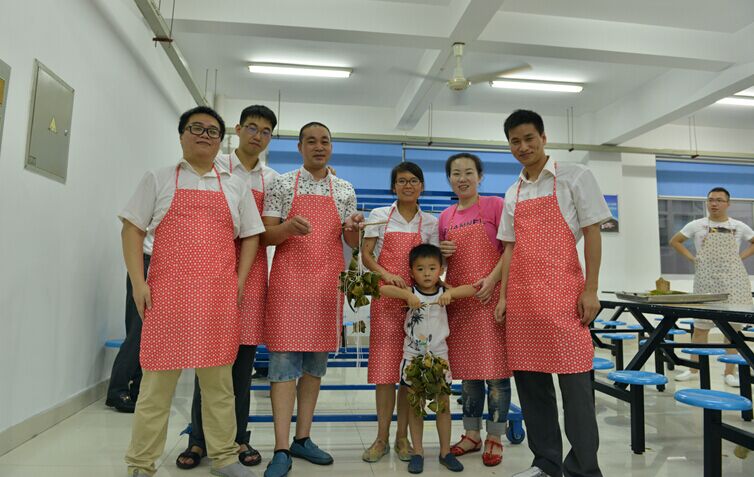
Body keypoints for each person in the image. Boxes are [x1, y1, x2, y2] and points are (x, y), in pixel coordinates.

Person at [120, 106, 265, 477]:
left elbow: (251, 234)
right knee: (156, 386)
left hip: (217, 298)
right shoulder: (158, 178)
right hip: (166, 297)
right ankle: (141, 463)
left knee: (219, 386)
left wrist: (239, 281)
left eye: (212, 131)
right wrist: (138, 282)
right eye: (196, 128)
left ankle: (225, 458)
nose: (204, 135)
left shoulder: (235, 185)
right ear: (182, 134)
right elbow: (132, 229)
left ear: (220, 140)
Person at [495, 109, 611, 477]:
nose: (523, 146)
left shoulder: (575, 176)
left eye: (529, 138)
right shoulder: (513, 192)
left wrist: (591, 289)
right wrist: (503, 297)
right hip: (523, 301)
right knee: (532, 388)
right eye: (515, 141)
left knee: (576, 391)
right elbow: (509, 248)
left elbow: (592, 232)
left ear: (544, 138)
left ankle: (583, 469)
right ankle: (546, 463)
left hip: (564, 297)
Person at [177, 105, 279, 470]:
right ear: (237, 129)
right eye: (251, 127)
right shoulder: (213, 165)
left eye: (265, 131)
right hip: (209, 271)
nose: (257, 135)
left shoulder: (273, 180)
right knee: (208, 360)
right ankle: (198, 439)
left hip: (252, 277)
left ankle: (238, 438)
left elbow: (266, 229)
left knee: (242, 366)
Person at [261, 122, 363, 477]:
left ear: (331, 147)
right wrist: (288, 228)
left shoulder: (345, 189)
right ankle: (280, 447)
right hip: (288, 285)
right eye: (311, 141)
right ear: (300, 147)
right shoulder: (281, 184)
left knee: (314, 368)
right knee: (282, 368)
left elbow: (351, 242)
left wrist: (355, 227)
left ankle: (302, 438)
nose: (319, 147)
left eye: (325, 142)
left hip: (325, 287)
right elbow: (266, 235)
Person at [361, 161, 439, 463]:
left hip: (417, 306)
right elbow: (366, 254)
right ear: (393, 186)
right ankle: (381, 438)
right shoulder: (379, 215)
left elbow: (434, 262)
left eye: (414, 180)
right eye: (402, 181)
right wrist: (386, 274)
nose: (408, 185)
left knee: (410, 374)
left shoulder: (430, 223)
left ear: (422, 186)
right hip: (386, 301)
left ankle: (402, 437)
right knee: (384, 374)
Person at [437, 153, 511, 467]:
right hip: (461, 304)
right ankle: (471, 434)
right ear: (449, 179)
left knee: (496, 375)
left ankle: (495, 436)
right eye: (456, 173)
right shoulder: (446, 216)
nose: (462, 178)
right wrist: (442, 254)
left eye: (469, 172)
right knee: (468, 375)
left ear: (480, 176)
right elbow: (438, 266)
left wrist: (492, 282)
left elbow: (510, 248)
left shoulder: (495, 205)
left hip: (491, 300)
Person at [380, 243, 471, 474]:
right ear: (412, 272)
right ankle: (418, 452)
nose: (427, 273)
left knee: (443, 404)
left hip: (439, 357)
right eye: (420, 269)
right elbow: (383, 290)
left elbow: (471, 289)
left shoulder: (443, 293)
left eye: (432, 268)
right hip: (413, 357)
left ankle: (445, 452)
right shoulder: (410, 292)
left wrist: (450, 293)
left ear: (441, 270)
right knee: (415, 405)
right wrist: (406, 295)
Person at [670, 186, 754, 387]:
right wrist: (693, 259)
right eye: (711, 200)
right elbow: (675, 241)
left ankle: (729, 372)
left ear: (728, 204)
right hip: (706, 280)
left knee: (731, 330)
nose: (714, 204)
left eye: (719, 200)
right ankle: (693, 369)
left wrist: (739, 258)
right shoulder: (697, 225)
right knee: (700, 327)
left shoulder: (739, 226)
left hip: (734, 281)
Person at [105, 234, 151, 413]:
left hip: (155, 263)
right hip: (146, 264)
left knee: (147, 336)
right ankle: (118, 390)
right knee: (137, 333)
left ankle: (137, 389)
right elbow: (130, 232)